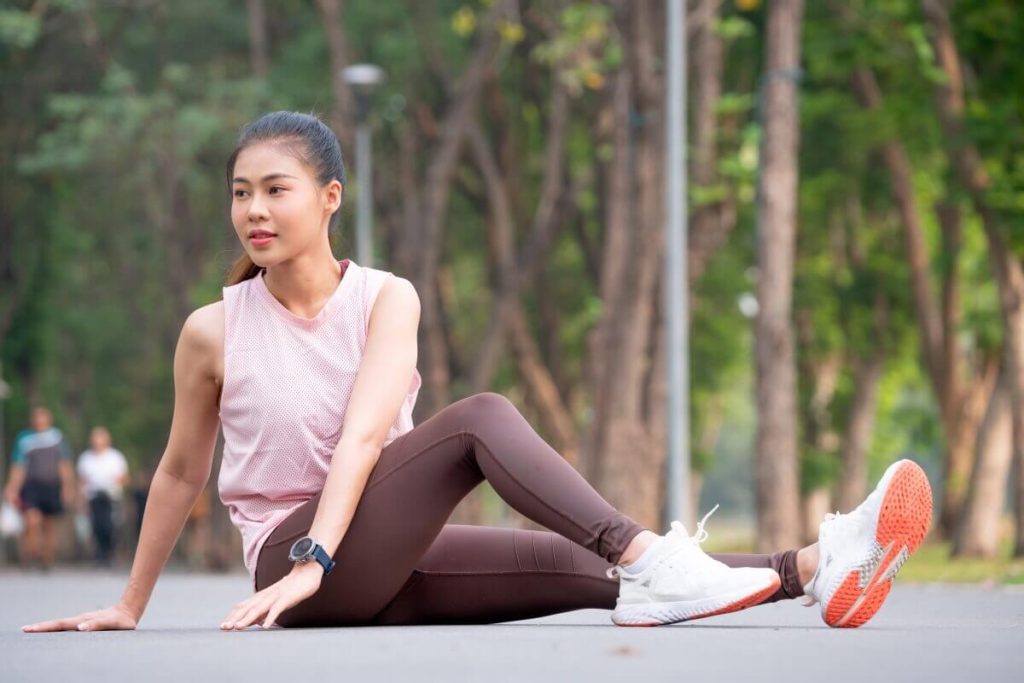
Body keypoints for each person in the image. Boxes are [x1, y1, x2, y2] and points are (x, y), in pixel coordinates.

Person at [21, 111, 932, 634]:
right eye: (240, 192)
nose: (253, 209)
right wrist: (132, 603)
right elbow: (181, 470)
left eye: (275, 188)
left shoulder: (387, 298)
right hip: (294, 562)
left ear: (330, 198)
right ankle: (648, 551)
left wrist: (327, 556)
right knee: (477, 419)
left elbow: (371, 439)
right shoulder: (212, 330)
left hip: (364, 557)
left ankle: (816, 565)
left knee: (586, 568)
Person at [3, 406, 75, 571]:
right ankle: (30, 551)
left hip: (51, 486)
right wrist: (12, 488)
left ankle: (47, 559)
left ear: (48, 419)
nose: (38, 421)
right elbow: (18, 466)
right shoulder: (24, 439)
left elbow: (63, 464)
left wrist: (67, 487)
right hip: (31, 487)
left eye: (42, 417)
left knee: (49, 524)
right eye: (36, 417)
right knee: (32, 520)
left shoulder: (56, 437)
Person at [77, 426, 130, 566]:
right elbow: (82, 481)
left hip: (111, 497)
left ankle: (111, 552)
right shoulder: (86, 458)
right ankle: (100, 553)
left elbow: (124, 478)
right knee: (97, 525)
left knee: (111, 526)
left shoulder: (116, 457)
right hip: (94, 497)